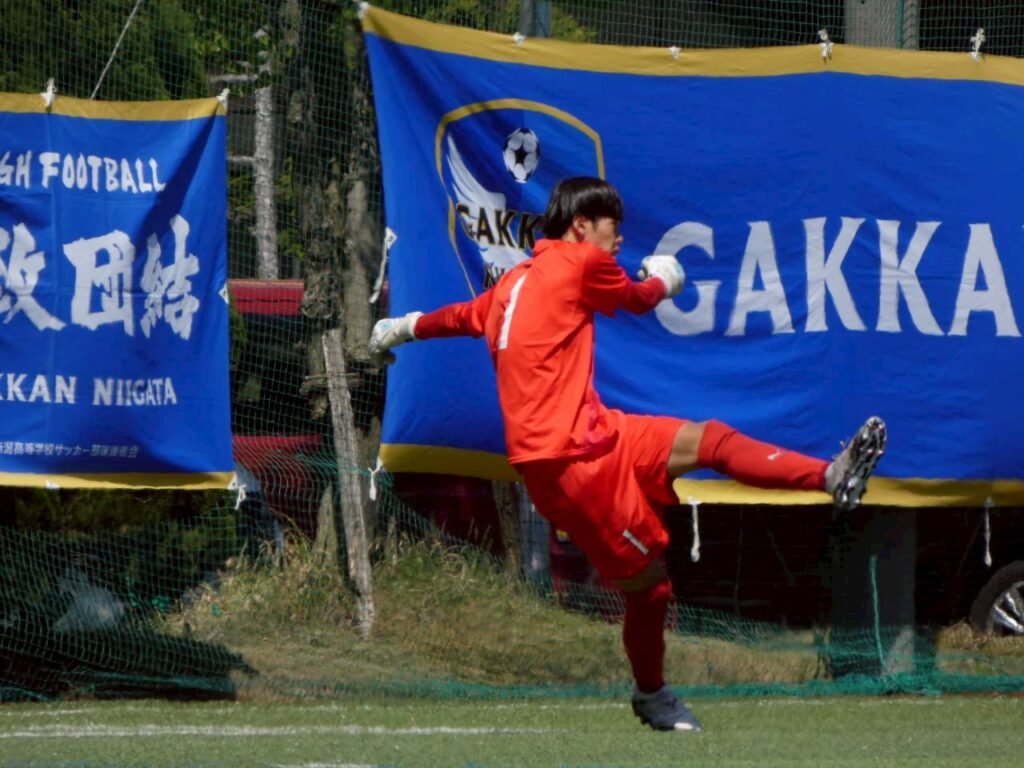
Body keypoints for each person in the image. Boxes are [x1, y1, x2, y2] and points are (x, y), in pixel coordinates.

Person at [369, 177, 886, 732]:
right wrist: (666, 279)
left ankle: (830, 477)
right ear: (581, 225)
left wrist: (402, 327)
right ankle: (652, 694)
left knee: (710, 440)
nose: (619, 240)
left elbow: (460, 317)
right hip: (570, 466)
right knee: (651, 588)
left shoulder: (512, 282)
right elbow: (639, 300)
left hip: (598, 434)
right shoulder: (580, 261)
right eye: (614, 227)